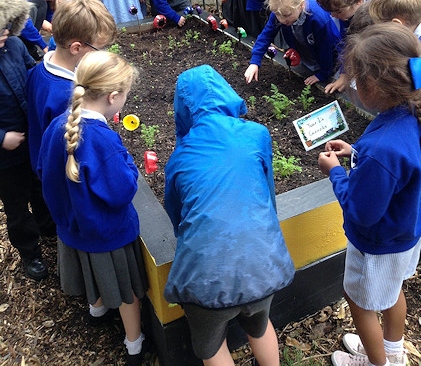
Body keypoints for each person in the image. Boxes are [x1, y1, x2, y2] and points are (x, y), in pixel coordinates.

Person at [164, 64, 295, 366]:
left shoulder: (179, 159)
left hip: (204, 283)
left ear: (182, 108)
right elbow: (268, 196)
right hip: (263, 267)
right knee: (260, 327)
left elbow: (177, 218)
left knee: (210, 349)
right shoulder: (257, 135)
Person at [318, 22, 421, 366]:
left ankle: (377, 363)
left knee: (359, 302)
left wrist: (334, 172)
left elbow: (361, 211)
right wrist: (357, 151)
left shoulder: (381, 148)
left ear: (375, 84)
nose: (354, 84)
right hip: (406, 235)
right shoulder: (410, 115)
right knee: (393, 292)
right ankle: (392, 352)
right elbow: (398, 167)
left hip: (376, 244)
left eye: (357, 77)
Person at [38, 51, 148, 365]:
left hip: (72, 230)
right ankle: (134, 344)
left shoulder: (59, 126)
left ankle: (96, 310)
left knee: (90, 273)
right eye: (125, 96)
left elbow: (43, 171)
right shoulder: (101, 139)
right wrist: (129, 162)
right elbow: (121, 190)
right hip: (107, 234)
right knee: (127, 292)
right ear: (113, 97)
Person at [26, 0, 117, 174]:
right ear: (76, 48)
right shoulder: (68, 96)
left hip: (39, 162)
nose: (103, 54)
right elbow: (73, 149)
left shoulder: (39, 70)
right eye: (100, 48)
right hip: (58, 177)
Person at [0, 0, 55, 281]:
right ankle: (29, 251)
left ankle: (48, 226)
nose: (3, 36)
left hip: (31, 139)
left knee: (39, 186)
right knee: (17, 203)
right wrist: (1, 138)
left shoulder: (13, 46)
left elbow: (31, 74)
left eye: (5, 30)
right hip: (5, 156)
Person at [244, 0, 340, 86]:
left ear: (301, 5)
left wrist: (322, 74)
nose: (282, 20)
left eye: (286, 15)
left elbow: (326, 50)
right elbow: (266, 36)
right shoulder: (280, 11)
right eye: (277, 15)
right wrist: (255, 61)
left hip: (331, 61)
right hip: (308, 55)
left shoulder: (318, 20)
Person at [316, 0, 376, 93]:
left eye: (337, 11)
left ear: (358, 1)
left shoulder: (378, 9)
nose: (333, 15)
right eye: (330, 11)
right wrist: (344, 74)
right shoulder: (346, 10)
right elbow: (346, 41)